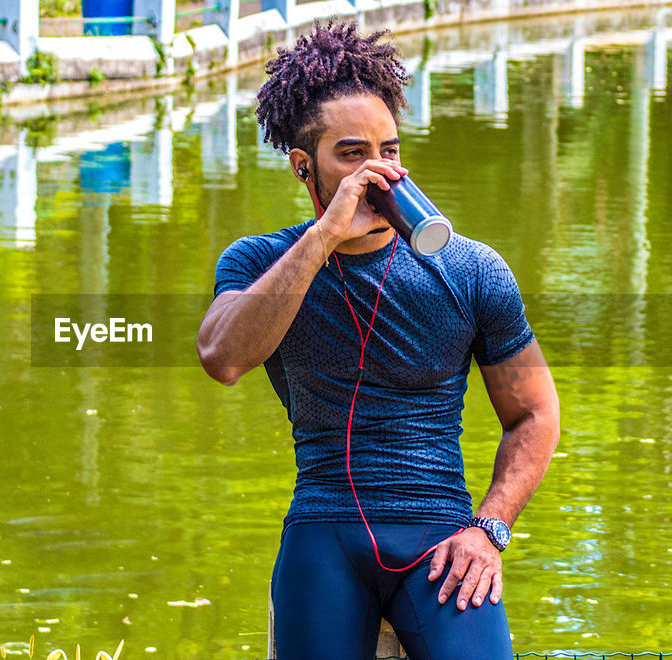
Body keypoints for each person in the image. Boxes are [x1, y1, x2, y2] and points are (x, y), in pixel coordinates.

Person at [195, 21, 561, 659]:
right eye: (352, 154)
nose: (379, 170)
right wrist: (323, 238)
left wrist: (490, 530)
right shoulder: (261, 261)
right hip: (325, 527)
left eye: (389, 150)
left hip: (444, 540)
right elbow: (222, 359)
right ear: (303, 167)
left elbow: (534, 414)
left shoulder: (470, 270)